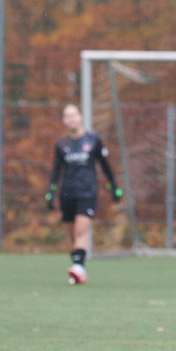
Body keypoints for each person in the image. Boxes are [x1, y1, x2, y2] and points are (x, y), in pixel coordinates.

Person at [45, 104, 122, 285]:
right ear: (64, 121)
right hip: (67, 193)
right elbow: (56, 170)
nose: (71, 119)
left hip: (87, 193)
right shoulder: (62, 143)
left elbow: (105, 165)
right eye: (67, 116)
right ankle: (79, 269)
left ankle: (78, 267)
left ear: (80, 117)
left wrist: (114, 186)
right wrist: (50, 192)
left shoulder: (93, 139)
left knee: (81, 231)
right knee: (72, 236)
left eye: (74, 115)